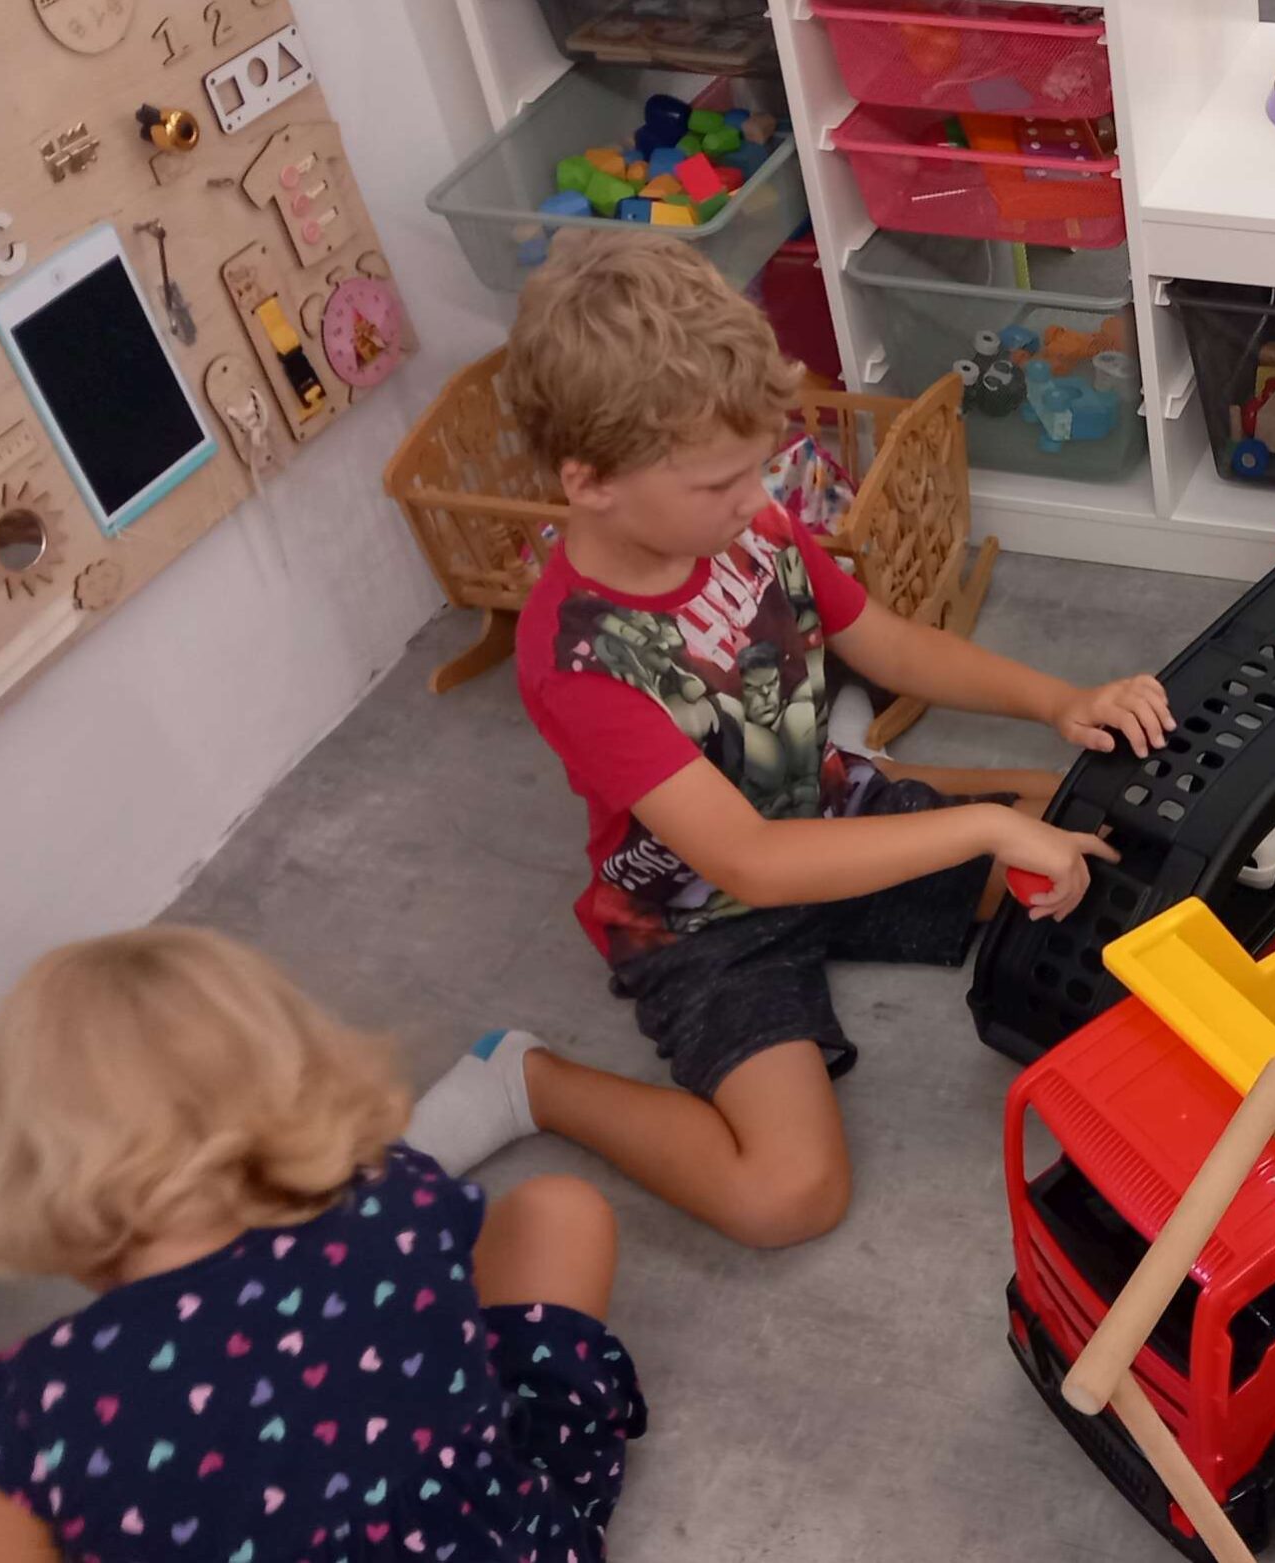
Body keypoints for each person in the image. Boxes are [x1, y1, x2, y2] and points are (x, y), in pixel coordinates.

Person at [402, 231, 1175, 1245]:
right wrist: (982, 828)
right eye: (720, 482)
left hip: (824, 804)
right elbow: (752, 864)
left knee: (1095, 840)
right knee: (788, 1195)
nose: (756, 498)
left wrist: (1059, 699)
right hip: (703, 917)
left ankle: (887, 773)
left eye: (756, 468)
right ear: (590, 483)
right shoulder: (579, 659)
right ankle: (530, 1082)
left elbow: (884, 643)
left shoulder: (745, 521)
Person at [0, 928, 640, 1563]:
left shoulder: (30, 1412)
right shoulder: (402, 1195)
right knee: (560, 1211)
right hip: (508, 1545)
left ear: (32, 1172)